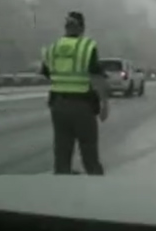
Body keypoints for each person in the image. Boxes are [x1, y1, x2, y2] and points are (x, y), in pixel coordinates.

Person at [40, 11, 109, 175]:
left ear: (66, 27)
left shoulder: (52, 48)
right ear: (82, 27)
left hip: (58, 105)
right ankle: (98, 187)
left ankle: (62, 185)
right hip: (82, 106)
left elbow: (46, 72)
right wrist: (104, 103)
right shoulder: (86, 47)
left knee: (62, 151)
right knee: (89, 152)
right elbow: (96, 76)